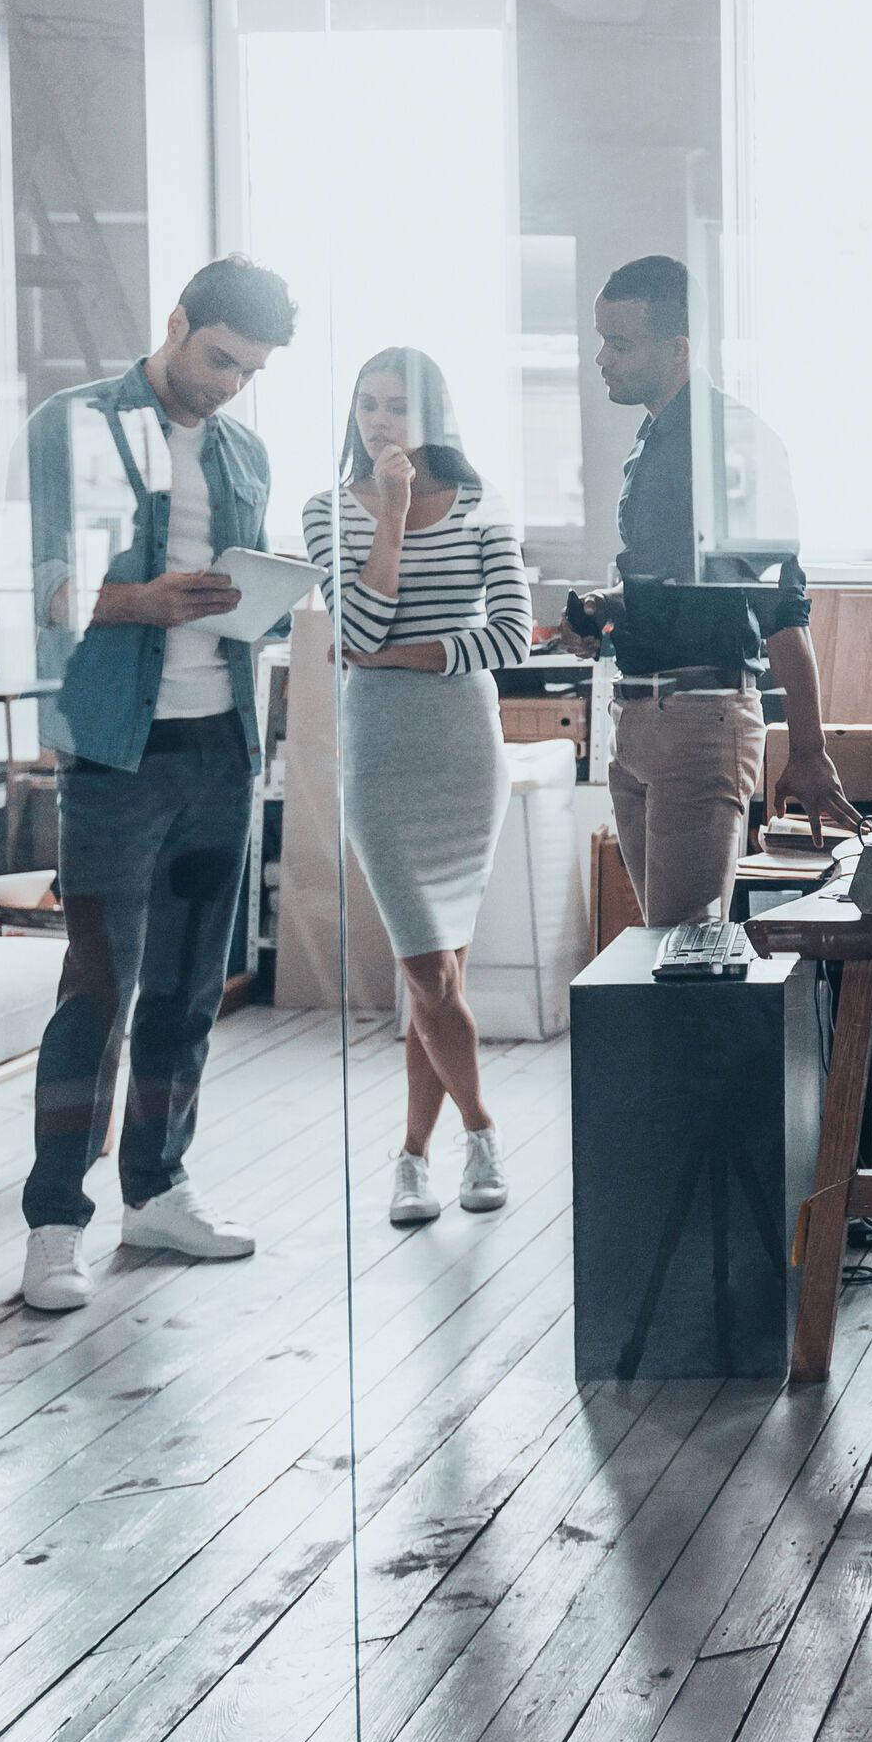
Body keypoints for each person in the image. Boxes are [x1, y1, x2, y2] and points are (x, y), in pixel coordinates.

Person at [16, 256, 296, 1317]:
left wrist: (258, 604)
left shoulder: (244, 451)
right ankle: (53, 1224)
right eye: (219, 357)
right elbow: (38, 583)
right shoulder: (72, 426)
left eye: (249, 370)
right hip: (112, 758)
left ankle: (158, 1189)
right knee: (96, 994)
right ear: (176, 323)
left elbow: (243, 594)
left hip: (219, 749)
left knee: (187, 993)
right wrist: (146, 601)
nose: (229, 383)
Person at [561, 254, 862, 928]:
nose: (602, 359)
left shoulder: (733, 445)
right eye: (600, 339)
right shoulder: (653, 441)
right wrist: (602, 609)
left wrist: (808, 750)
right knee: (661, 951)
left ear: (678, 349)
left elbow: (781, 607)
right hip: (637, 717)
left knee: (685, 954)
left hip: (698, 720)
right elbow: (673, 588)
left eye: (620, 343)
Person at [303, 349, 532, 1229]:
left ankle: (409, 1159)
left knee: (435, 981)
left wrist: (398, 657)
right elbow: (354, 620)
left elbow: (511, 636)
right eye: (367, 405)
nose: (379, 421)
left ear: (435, 414)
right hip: (381, 755)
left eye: (397, 406)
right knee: (430, 972)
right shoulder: (326, 510)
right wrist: (391, 517)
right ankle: (481, 1129)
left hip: (464, 753)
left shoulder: (482, 507)